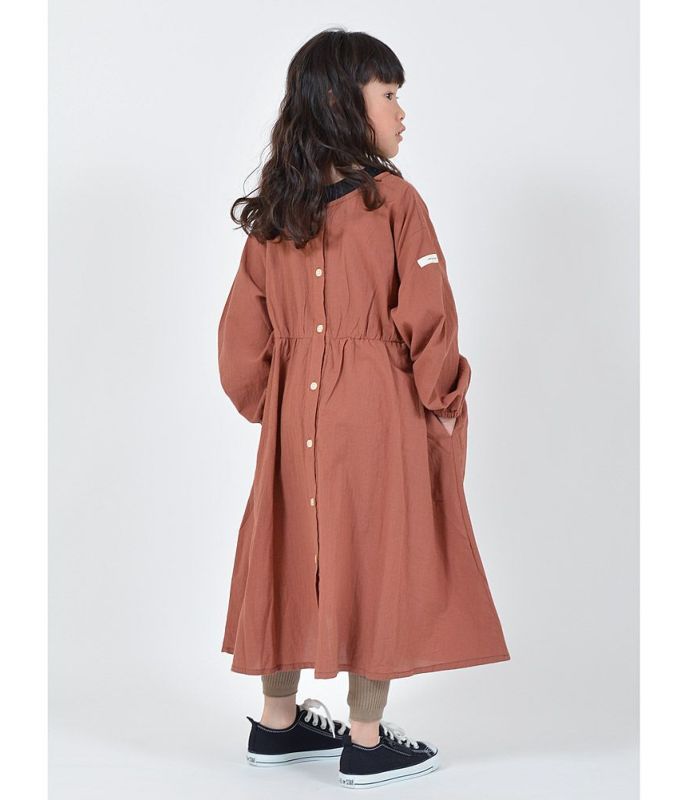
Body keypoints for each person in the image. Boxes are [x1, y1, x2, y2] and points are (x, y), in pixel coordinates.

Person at [217, 27, 510, 788]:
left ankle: (277, 723)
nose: (402, 112)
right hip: (377, 413)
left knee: (287, 549)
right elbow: (429, 319)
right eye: (389, 95)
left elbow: (239, 345)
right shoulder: (395, 204)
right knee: (376, 556)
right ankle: (367, 740)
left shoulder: (273, 219)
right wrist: (444, 397)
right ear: (347, 104)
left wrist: (277, 404)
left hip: (294, 424)